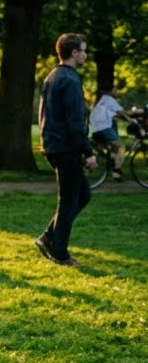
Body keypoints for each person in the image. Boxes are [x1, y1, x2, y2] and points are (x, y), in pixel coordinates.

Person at [35, 33, 96, 267]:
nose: (85, 55)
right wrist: (87, 152)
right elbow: (74, 121)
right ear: (74, 53)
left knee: (82, 194)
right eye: (83, 50)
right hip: (65, 147)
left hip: (53, 144)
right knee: (70, 199)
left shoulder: (52, 76)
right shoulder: (70, 80)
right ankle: (59, 252)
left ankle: (49, 236)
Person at [89, 80, 129, 181]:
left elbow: (117, 115)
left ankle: (109, 161)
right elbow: (122, 112)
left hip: (95, 130)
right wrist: (132, 120)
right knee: (121, 147)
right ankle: (116, 171)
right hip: (104, 128)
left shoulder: (102, 101)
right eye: (115, 90)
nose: (117, 92)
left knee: (114, 149)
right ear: (110, 91)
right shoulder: (109, 100)